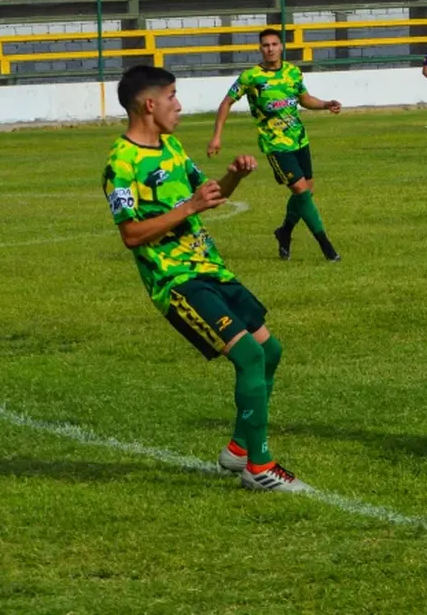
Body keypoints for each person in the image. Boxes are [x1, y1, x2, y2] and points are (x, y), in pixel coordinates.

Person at [103, 64, 309, 492]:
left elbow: (210, 195)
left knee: (271, 351)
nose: (178, 105)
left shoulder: (173, 147)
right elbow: (130, 235)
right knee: (249, 356)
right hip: (176, 281)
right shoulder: (121, 165)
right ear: (149, 104)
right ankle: (259, 467)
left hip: (210, 267)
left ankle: (238, 448)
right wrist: (189, 209)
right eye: (173, 97)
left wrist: (233, 175)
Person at [207, 28, 341, 262]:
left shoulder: (293, 72)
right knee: (300, 191)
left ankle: (285, 232)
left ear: (281, 47)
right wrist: (217, 136)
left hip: (300, 140)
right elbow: (226, 102)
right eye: (265, 45)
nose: (270, 49)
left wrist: (325, 104)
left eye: (274, 44)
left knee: (307, 192)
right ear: (260, 49)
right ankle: (327, 247)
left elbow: (304, 99)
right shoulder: (251, 77)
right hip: (275, 145)